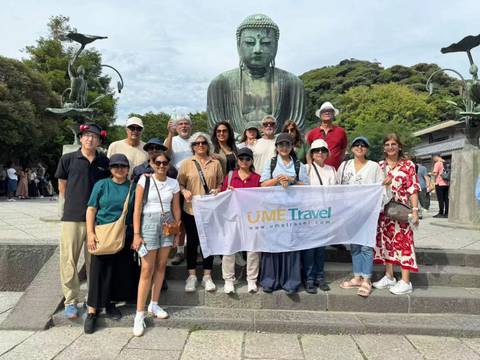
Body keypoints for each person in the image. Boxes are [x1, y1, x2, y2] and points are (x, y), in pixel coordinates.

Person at [207, 13, 305, 134]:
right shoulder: (221, 83)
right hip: (237, 148)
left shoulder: (292, 83)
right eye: (249, 43)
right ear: (238, 46)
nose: (257, 50)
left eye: (266, 43)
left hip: (279, 147)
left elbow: (297, 127)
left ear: (276, 46)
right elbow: (215, 127)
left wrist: (272, 140)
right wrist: (241, 140)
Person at [55, 123, 110, 319]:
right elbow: (62, 185)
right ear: (80, 138)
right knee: (69, 259)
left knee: (93, 261)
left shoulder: (104, 161)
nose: (90, 139)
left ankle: (92, 299)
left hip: (97, 220)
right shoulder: (68, 159)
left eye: (94, 136)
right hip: (73, 217)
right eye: (86, 135)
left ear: (99, 141)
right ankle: (71, 300)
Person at [132, 151, 181, 336]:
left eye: (165, 162)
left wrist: (178, 231)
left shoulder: (173, 183)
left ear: (169, 164)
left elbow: (176, 208)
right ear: (151, 163)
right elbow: (137, 209)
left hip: (168, 223)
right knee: (147, 269)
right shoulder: (144, 180)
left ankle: (154, 303)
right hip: (149, 223)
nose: (161, 165)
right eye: (157, 162)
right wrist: (137, 234)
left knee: (161, 265)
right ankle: (139, 314)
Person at [84, 154, 132, 334]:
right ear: (110, 169)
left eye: (123, 166)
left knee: (117, 271)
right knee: (98, 271)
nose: (119, 169)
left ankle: (110, 304)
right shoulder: (102, 185)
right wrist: (90, 232)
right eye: (115, 166)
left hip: (123, 234)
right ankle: (92, 311)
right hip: (102, 232)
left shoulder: (132, 187)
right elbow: (91, 208)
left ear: (128, 169)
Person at [259, 133, 309, 293]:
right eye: (281, 145)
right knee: (272, 244)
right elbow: (262, 185)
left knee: (291, 244)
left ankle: (291, 281)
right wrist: (277, 180)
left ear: (292, 146)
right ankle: (270, 280)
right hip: (273, 210)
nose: (284, 148)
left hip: (293, 211)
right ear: (277, 147)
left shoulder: (299, 165)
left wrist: (293, 181)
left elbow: (307, 188)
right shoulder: (271, 163)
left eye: (287, 144)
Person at [337, 137, 384, 297]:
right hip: (349, 212)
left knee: (366, 245)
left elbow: (381, 188)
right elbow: (337, 188)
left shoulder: (374, 166)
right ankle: (357, 276)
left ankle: (367, 279)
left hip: (367, 212)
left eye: (363, 145)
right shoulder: (344, 166)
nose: (359, 147)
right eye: (356, 145)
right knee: (354, 245)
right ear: (351, 148)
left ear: (367, 149)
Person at [374, 133, 420, 295]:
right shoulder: (379, 166)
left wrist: (415, 211)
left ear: (399, 146)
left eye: (393, 144)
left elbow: (413, 189)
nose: (390, 147)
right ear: (384, 148)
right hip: (384, 212)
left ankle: (406, 281)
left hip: (401, 210)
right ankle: (389, 275)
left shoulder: (408, 165)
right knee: (386, 244)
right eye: (387, 144)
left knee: (404, 244)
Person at [177, 132, 223, 292]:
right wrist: (184, 191)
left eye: (203, 142)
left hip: (209, 209)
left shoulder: (215, 163)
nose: (200, 145)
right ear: (192, 147)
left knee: (208, 242)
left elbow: (221, 183)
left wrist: (217, 189)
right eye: (197, 143)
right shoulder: (186, 163)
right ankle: (192, 276)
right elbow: (180, 184)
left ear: (208, 145)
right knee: (192, 242)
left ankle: (207, 276)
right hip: (190, 209)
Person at [220, 147, 261, 294]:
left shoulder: (257, 178)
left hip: (251, 219)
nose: (244, 161)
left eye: (247, 159)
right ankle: (229, 280)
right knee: (229, 249)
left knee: (253, 250)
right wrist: (227, 192)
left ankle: (252, 280)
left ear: (251, 161)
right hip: (232, 218)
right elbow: (222, 197)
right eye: (241, 158)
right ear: (237, 160)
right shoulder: (230, 176)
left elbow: (261, 200)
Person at [302, 139, 337, 294]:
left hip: (325, 214)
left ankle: (320, 277)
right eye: (317, 151)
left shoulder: (332, 170)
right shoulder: (306, 168)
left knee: (321, 249)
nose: (320, 153)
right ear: (311, 153)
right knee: (310, 249)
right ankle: (309, 278)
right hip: (309, 214)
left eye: (323, 150)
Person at [164, 114, 193, 265]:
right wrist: (170, 133)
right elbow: (166, 155)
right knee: (179, 217)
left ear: (190, 126)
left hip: (194, 184)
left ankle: (196, 249)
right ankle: (180, 250)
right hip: (176, 184)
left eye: (186, 123)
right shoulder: (173, 140)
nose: (183, 126)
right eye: (180, 123)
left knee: (195, 218)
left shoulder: (196, 140)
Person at [305, 102, 347, 169]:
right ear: (320, 115)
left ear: (333, 114)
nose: (327, 113)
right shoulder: (312, 133)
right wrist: (310, 168)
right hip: (317, 172)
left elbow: (343, 151)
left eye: (330, 111)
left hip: (335, 171)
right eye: (324, 111)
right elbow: (309, 153)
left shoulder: (341, 132)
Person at [431, 153, 449, 218]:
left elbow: (435, 174)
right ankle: (447, 213)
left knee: (440, 199)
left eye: (433, 158)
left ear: (436, 157)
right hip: (446, 183)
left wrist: (430, 173)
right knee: (446, 199)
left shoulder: (437, 163)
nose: (433, 160)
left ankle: (441, 213)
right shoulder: (446, 162)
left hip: (439, 183)